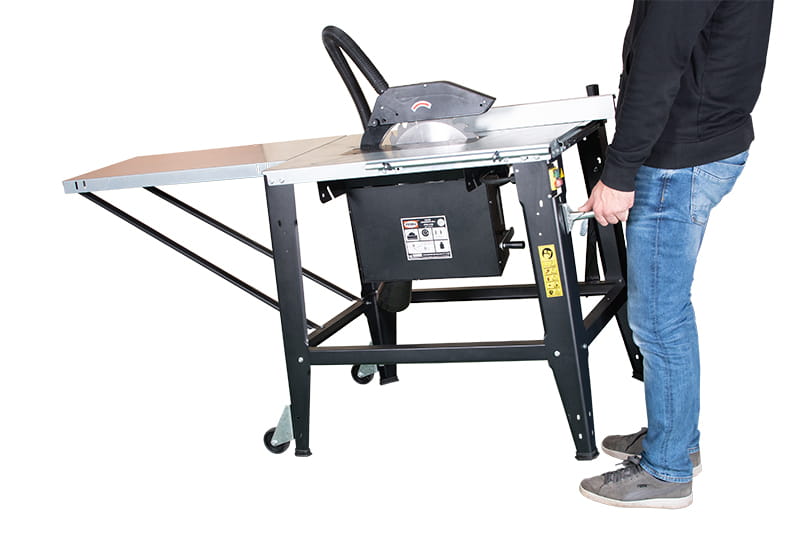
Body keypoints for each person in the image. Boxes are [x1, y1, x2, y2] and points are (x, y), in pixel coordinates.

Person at [577, 0, 773, 509]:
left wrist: (619, 173)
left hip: (680, 155)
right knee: (667, 310)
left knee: (659, 317)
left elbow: (658, 63)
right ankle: (676, 439)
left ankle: (666, 470)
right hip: (708, 137)